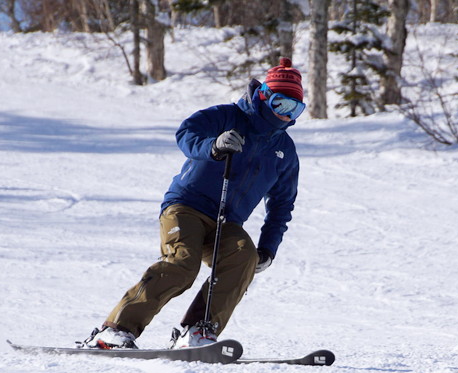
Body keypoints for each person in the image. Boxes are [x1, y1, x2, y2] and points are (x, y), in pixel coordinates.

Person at [83, 57, 304, 349]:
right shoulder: (227, 116)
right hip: (185, 207)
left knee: (243, 256)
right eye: (280, 103)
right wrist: (211, 147)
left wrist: (268, 248)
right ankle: (114, 330)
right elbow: (186, 132)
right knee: (182, 263)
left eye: (295, 108)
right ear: (264, 95)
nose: (286, 114)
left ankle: (198, 330)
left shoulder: (284, 151)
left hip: (227, 223)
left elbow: (282, 204)